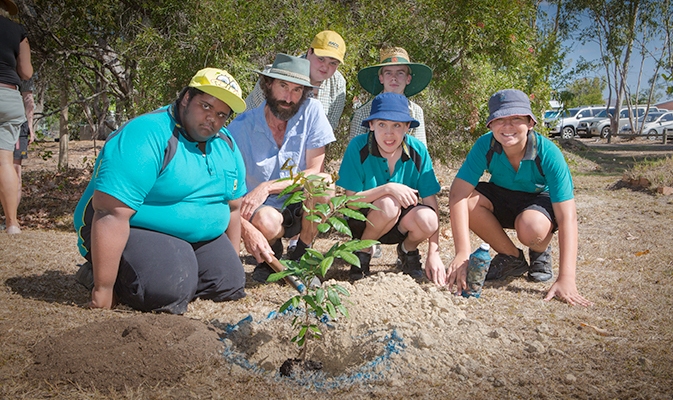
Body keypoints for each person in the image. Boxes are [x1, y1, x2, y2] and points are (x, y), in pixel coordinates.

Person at [73, 68, 249, 314]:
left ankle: (170, 269)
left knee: (228, 284)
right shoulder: (146, 133)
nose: (212, 118)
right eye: (206, 106)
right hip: (132, 226)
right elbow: (110, 212)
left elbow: (233, 208)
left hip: (193, 237)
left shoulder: (226, 143)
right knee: (168, 290)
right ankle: (99, 274)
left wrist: (233, 263)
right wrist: (103, 290)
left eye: (221, 114)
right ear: (186, 98)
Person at [445, 89, 592, 306]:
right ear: (490, 124)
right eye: (499, 119)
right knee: (467, 201)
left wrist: (567, 278)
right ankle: (511, 258)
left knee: (531, 227)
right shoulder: (485, 145)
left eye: (516, 119)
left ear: (530, 123)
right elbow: (457, 193)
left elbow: (567, 217)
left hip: (537, 202)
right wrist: (462, 253)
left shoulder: (549, 153)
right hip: (502, 194)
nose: (507, 126)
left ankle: (540, 250)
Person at [228, 53, 335, 283]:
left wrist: (267, 187)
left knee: (324, 184)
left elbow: (315, 170)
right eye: (283, 86)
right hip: (264, 211)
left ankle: (303, 252)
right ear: (268, 85)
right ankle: (271, 252)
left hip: (301, 203)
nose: (289, 97)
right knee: (265, 220)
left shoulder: (312, 111)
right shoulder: (241, 127)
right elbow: (227, 187)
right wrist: (245, 224)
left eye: (297, 90)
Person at [337, 92, 445, 284]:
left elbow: (430, 201)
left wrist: (433, 252)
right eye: (382, 125)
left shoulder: (418, 151)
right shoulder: (358, 147)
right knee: (388, 204)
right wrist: (388, 188)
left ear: (407, 127)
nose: (389, 133)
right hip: (364, 222)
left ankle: (407, 250)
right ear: (371, 125)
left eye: (397, 125)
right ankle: (362, 251)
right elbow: (350, 203)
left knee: (429, 219)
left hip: (401, 224)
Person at [245, 30, 346, 131]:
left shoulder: (338, 84)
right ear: (309, 52)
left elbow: (328, 127)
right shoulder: (276, 74)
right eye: (321, 59)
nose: (325, 67)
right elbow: (259, 119)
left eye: (333, 63)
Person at [348, 47, 431, 146]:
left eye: (400, 73)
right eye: (388, 73)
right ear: (381, 78)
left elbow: (420, 149)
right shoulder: (362, 113)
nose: (394, 78)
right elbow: (354, 150)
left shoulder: (416, 112)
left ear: (408, 79)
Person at [0, 0, 33, 235]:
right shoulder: (17, 30)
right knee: (4, 162)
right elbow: (26, 72)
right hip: (9, 96)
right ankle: (12, 223)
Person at [14, 76, 35, 205]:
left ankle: (11, 215)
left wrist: (30, 127)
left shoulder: (23, 73)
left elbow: (28, 100)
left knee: (15, 170)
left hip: (18, 126)